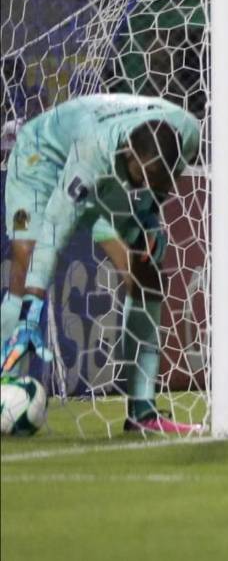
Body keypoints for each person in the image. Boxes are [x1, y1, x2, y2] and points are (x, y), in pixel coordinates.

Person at [2, 94, 202, 433]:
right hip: (39, 162)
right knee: (29, 257)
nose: (150, 183)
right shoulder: (91, 154)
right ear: (128, 154)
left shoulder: (188, 134)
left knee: (145, 270)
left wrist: (149, 212)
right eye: (146, 176)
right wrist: (33, 308)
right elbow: (55, 230)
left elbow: (155, 182)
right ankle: (6, 371)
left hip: (112, 182)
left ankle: (143, 411)